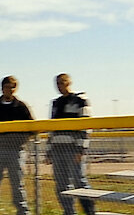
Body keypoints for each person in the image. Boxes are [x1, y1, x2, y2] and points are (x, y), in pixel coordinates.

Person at [0, 76, 35, 215]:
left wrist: (19, 143)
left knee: (17, 184)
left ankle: (22, 211)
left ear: (16, 88)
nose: (10, 90)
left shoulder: (21, 106)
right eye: (7, 87)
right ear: (2, 88)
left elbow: (32, 128)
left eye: (12, 87)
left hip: (15, 152)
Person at [48, 73, 96, 215]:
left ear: (69, 83)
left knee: (79, 181)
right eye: (57, 83)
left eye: (62, 83)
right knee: (61, 183)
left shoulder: (80, 100)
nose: (60, 86)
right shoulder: (56, 103)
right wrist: (49, 150)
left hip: (73, 148)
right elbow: (52, 127)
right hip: (57, 148)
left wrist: (81, 149)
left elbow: (86, 126)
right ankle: (69, 212)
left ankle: (89, 211)